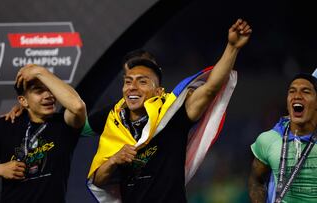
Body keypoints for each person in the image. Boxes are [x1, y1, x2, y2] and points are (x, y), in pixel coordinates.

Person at [86, 18, 252, 202]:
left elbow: (210, 88)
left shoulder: (173, 114)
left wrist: (232, 47)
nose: (132, 87)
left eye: (142, 81)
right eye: (128, 81)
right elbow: (98, 180)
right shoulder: (115, 123)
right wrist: (114, 159)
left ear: (158, 91)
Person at [0, 64, 86, 202]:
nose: (48, 95)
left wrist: (40, 71)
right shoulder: (4, 126)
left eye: (49, 89)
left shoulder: (64, 124)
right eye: (39, 91)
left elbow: (78, 106)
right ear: (23, 101)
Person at [248, 73, 317, 203]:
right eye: (292, 92)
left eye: (306, 92)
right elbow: (256, 179)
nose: (297, 96)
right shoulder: (269, 139)